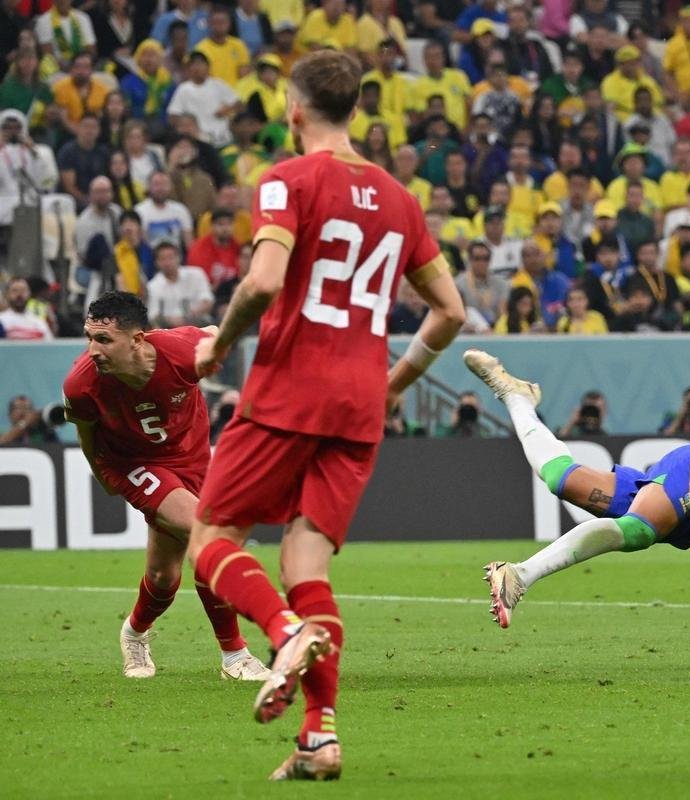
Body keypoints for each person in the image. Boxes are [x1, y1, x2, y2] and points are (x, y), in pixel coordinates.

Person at [186, 51, 464, 781]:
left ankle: (282, 630)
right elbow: (451, 311)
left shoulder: (287, 180)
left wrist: (220, 344)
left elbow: (265, 278)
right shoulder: (402, 200)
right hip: (360, 403)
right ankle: (319, 737)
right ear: (356, 110)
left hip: (288, 390)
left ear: (294, 109)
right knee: (305, 559)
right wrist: (397, 380)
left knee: (212, 540)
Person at [465, 350, 690, 674]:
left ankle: (518, 398)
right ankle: (519, 577)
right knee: (638, 532)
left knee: (562, 481)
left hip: (682, 524)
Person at [61, 291, 267, 682]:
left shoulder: (179, 352)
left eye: (103, 339)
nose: (92, 350)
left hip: (191, 458)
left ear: (138, 339)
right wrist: (102, 474)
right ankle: (235, 656)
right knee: (207, 535)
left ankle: (134, 632)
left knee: (162, 577)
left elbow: (212, 333)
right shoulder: (81, 385)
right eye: (89, 337)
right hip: (133, 464)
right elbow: (87, 435)